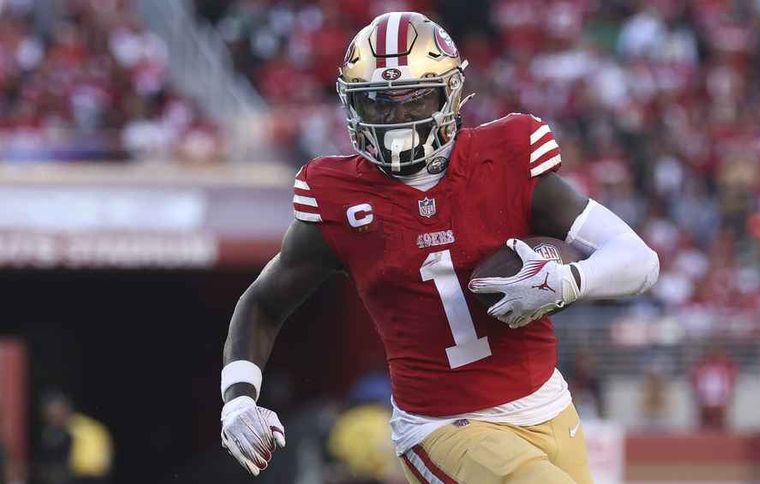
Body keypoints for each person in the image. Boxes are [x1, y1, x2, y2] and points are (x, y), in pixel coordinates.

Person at [219, 12, 659, 484]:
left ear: (449, 93)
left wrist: (568, 282)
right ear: (351, 105)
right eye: (378, 104)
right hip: (444, 426)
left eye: (414, 100)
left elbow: (640, 260)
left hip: (549, 407)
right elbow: (263, 303)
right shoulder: (340, 199)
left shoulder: (505, 160)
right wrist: (238, 399)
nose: (396, 119)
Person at [37, 393, 113, 484]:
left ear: (65, 410)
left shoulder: (87, 431)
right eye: (49, 417)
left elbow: (94, 470)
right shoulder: (51, 434)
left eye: (54, 415)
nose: (52, 421)